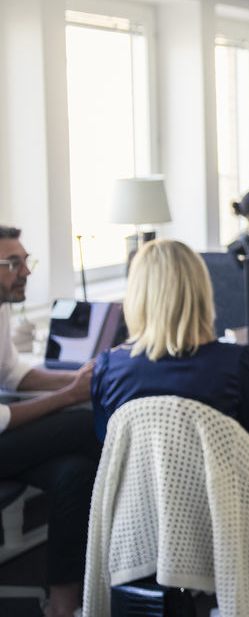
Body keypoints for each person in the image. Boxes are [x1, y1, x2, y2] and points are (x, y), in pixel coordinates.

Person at [90, 239, 249, 608]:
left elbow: (108, 442)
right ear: (201, 293)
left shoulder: (108, 365)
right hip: (224, 503)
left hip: (142, 508)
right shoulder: (233, 359)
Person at [0, 226, 99, 617]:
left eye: (26, 261)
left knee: (74, 472)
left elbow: (11, 375)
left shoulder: (2, 304)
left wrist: (76, 381)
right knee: (82, 423)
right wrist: (70, 396)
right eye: (13, 263)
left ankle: (63, 603)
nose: (26, 271)